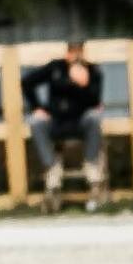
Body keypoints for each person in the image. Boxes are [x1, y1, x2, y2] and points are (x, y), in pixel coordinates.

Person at [22, 40, 105, 209]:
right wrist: (36, 107)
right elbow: (27, 82)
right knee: (36, 122)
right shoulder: (56, 68)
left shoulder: (92, 71)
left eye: (78, 52)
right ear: (67, 53)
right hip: (56, 121)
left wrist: (83, 85)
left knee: (94, 117)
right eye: (72, 52)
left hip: (80, 122)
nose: (75, 56)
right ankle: (53, 172)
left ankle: (92, 172)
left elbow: (95, 101)